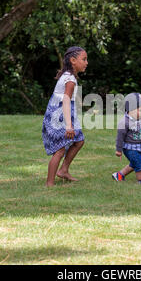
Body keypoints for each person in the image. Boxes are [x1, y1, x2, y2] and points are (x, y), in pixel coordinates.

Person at [42, 46, 87, 186]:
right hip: (60, 116)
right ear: (73, 60)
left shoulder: (68, 76)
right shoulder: (70, 80)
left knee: (79, 140)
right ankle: (49, 183)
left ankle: (64, 170)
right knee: (60, 149)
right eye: (84, 59)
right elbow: (66, 100)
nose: (86, 62)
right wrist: (68, 125)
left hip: (62, 113)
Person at [112, 93, 141, 184]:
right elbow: (120, 137)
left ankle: (119, 175)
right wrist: (118, 150)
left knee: (134, 164)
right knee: (139, 163)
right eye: (140, 110)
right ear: (131, 110)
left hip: (140, 146)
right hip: (130, 148)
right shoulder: (125, 122)